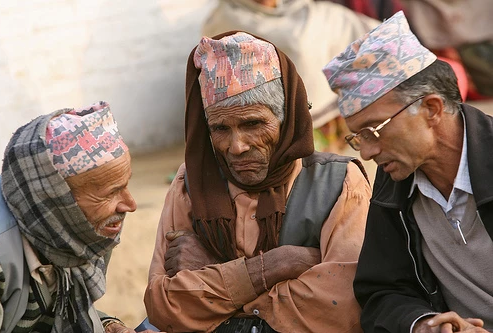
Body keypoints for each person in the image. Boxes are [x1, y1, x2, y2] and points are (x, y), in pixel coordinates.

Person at [144, 31, 372, 332]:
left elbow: (341, 308)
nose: (236, 146)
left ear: (286, 117)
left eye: (253, 124)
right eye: (220, 128)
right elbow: (164, 305)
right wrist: (272, 267)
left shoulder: (339, 183)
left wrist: (218, 274)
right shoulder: (191, 183)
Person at [323, 11, 493, 333]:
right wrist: (424, 325)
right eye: (358, 137)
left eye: (375, 130)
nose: (369, 152)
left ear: (431, 109)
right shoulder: (395, 180)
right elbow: (382, 291)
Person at [0, 101, 156, 333]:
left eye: (125, 185)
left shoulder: (77, 232)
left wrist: (107, 325)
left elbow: (64, 309)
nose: (130, 205)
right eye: (111, 193)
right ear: (56, 200)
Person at [202, 0, 379, 153]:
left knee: (323, 175)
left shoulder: (306, 11)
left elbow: (363, 31)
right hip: (264, 124)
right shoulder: (224, 18)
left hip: (319, 117)